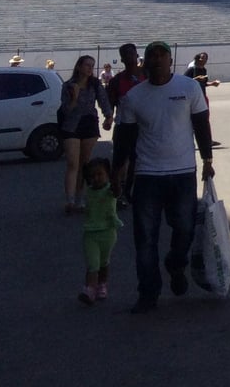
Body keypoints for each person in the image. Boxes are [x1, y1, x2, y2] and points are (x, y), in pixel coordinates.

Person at [116, 40, 214, 315]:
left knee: (185, 228)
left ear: (171, 61)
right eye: (151, 56)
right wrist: (117, 174)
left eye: (162, 55)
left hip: (182, 172)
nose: (157, 60)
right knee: (145, 238)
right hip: (147, 174)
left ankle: (176, 263)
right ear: (143, 61)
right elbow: (124, 138)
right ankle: (148, 292)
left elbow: (201, 125)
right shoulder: (134, 97)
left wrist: (208, 159)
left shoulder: (189, 87)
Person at [58, 54, 111, 213]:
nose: (90, 69)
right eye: (87, 65)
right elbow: (66, 110)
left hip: (89, 123)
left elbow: (103, 101)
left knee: (84, 163)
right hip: (71, 125)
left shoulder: (94, 84)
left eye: (92, 65)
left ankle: (80, 198)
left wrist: (108, 116)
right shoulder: (68, 85)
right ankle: (70, 200)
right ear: (79, 66)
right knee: (72, 163)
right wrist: (74, 97)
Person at [77, 157, 120, 306]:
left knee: (104, 262)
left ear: (107, 175)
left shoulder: (110, 190)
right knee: (93, 263)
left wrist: (116, 179)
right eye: (92, 176)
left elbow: (117, 191)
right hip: (90, 234)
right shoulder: (88, 191)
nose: (96, 178)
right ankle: (90, 290)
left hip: (108, 232)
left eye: (99, 174)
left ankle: (102, 284)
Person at [106, 43, 143, 208]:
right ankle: (116, 193)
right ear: (122, 59)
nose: (130, 58)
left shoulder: (147, 75)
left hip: (144, 126)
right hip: (124, 126)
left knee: (138, 161)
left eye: (132, 54)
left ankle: (131, 192)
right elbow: (110, 104)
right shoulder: (116, 80)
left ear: (137, 55)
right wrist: (108, 118)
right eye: (126, 55)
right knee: (119, 162)